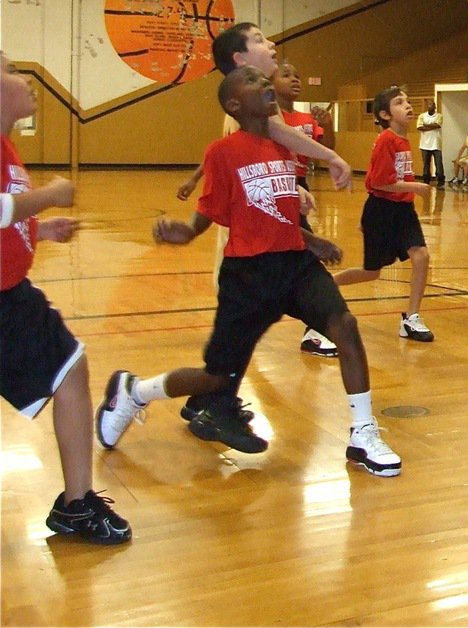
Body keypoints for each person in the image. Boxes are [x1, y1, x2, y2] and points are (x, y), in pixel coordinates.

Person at [98, 66, 402, 477]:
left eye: (265, 80)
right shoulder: (222, 152)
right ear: (234, 105)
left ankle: (363, 433)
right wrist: (185, 232)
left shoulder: (284, 148)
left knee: (344, 325)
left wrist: (312, 241)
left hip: (295, 265)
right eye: (253, 82)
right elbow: (212, 214)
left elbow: (272, 212)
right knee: (213, 378)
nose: (264, 84)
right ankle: (135, 391)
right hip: (248, 276)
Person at [0, 51, 133, 545]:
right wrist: (51, 195)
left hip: (12, 297)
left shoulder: (7, 148)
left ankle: (77, 504)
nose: (25, 78)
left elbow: (7, 213)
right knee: (70, 369)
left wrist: (40, 227)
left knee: (71, 366)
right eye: (10, 70)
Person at [176, 23, 350, 364]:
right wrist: (328, 159)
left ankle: (213, 394)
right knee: (229, 353)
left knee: (237, 350)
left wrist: (292, 187)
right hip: (250, 252)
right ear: (240, 59)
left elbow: (277, 145)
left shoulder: (261, 105)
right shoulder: (247, 111)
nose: (271, 44)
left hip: (269, 242)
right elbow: (242, 182)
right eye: (259, 40)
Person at [333, 86, 435, 343]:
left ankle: (411, 318)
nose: (408, 105)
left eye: (408, 101)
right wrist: (417, 187)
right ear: (385, 114)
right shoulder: (386, 140)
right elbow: (378, 182)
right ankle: (326, 284)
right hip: (382, 211)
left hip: (403, 211)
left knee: (421, 256)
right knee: (372, 272)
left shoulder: (403, 139)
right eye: (400, 102)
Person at [273, 61, 339, 358]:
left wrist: (329, 124)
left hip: (299, 186)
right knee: (304, 254)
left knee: (304, 254)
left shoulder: (305, 118)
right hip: (278, 186)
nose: (294, 79)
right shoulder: (270, 117)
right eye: (286, 75)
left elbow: (329, 148)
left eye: (297, 74)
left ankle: (312, 331)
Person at [417, 99, 445, 186]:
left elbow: (437, 125)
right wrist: (432, 126)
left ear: (435, 107)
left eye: (432, 105)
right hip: (424, 144)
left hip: (436, 144)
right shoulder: (422, 116)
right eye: (428, 105)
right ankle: (426, 179)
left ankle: (440, 179)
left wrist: (426, 125)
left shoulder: (439, 116)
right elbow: (419, 127)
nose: (430, 106)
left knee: (438, 163)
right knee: (426, 163)